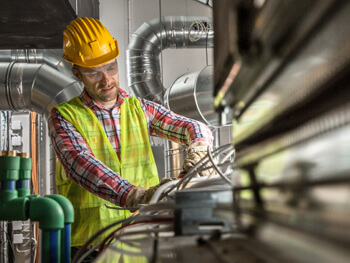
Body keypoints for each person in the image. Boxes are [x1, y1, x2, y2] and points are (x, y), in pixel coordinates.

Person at [48, 17, 213, 250]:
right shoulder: (64, 116)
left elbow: (192, 126)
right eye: (94, 73)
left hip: (141, 239)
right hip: (91, 246)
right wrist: (138, 197)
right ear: (77, 74)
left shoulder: (140, 108)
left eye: (110, 67)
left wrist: (199, 148)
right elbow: (82, 165)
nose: (107, 79)